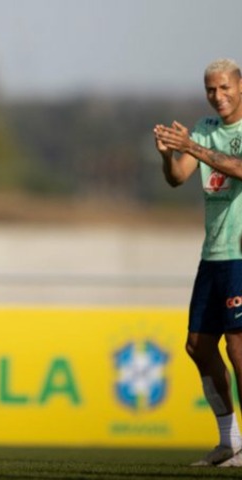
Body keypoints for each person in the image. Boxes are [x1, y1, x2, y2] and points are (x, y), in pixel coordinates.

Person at [154, 58, 242, 468]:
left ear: (240, 86)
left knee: (238, 348)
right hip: (213, 254)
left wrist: (192, 146)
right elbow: (177, 177)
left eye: (224, 87)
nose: (217, 96)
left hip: (240, 254)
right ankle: (229, 442)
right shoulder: (205, 128)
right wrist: (168, 155)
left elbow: (238, 168)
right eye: (211, 89)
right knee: (198, 346)